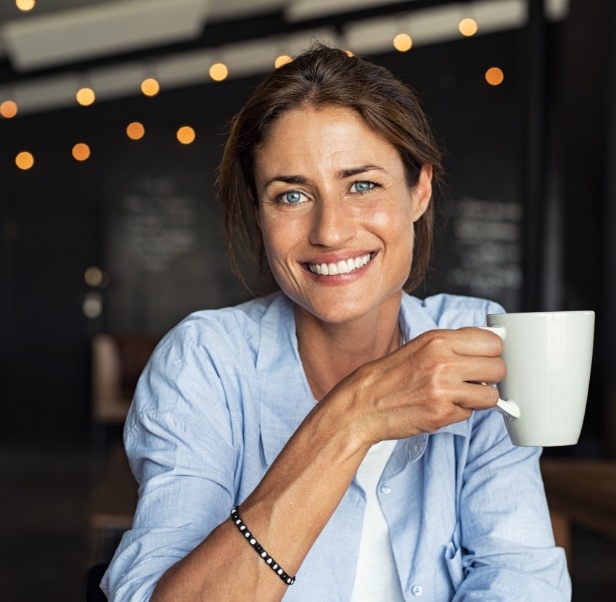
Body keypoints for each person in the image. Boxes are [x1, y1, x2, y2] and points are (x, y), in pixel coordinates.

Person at [102, 44, 570, 601]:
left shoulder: (479, 344)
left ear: (418, 189)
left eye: (362, 185)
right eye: (292, 195)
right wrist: (351, 419)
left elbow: (521, 580)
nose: (330, 231)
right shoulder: (204, 363)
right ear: (259, 212)